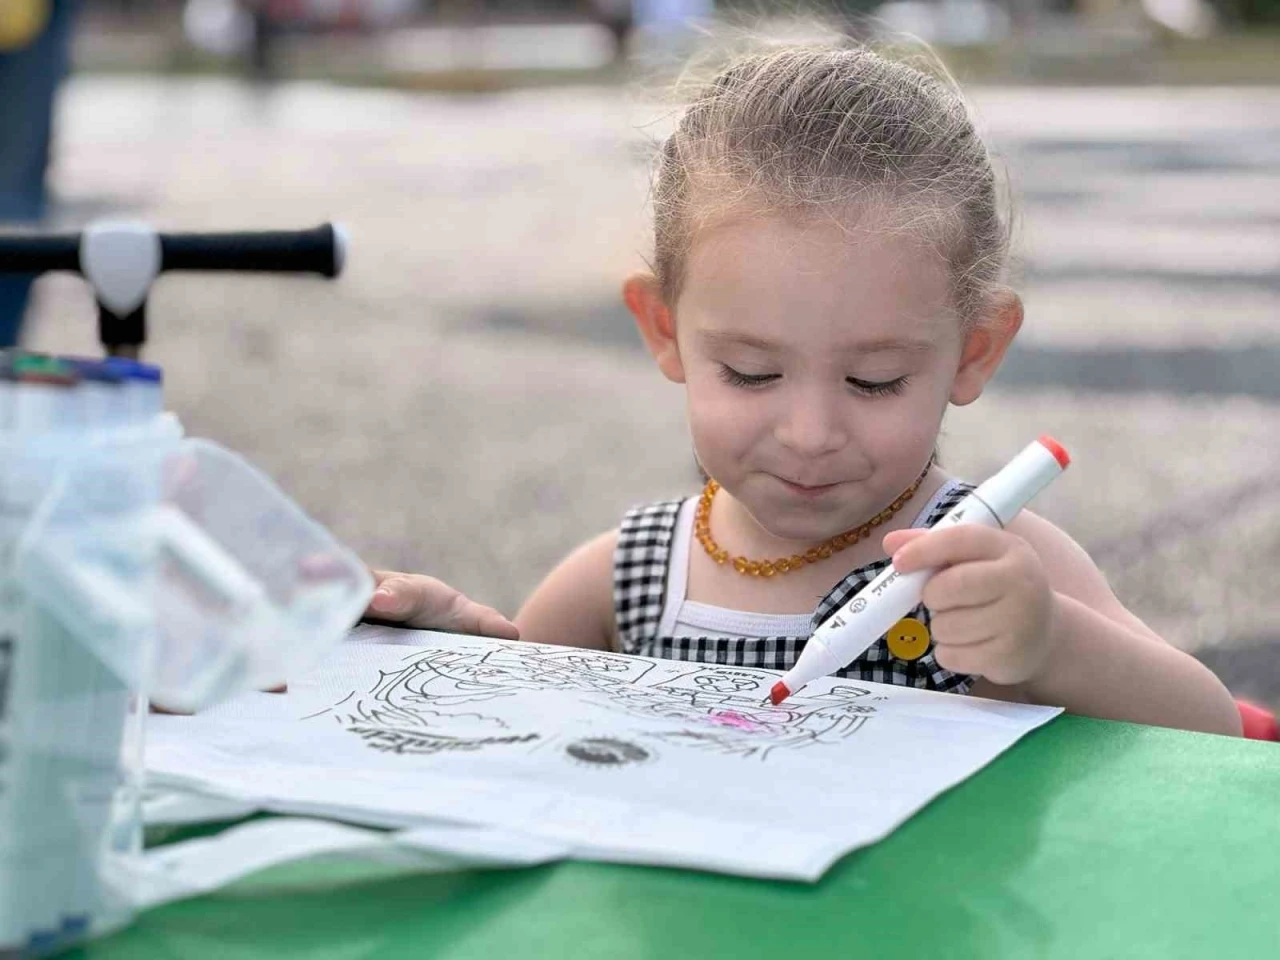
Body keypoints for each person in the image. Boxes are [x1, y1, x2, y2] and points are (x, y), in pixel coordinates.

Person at [368, 44, 1241, 736]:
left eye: (873, 380)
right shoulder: (629, 578)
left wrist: (1051, 642)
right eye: (751, 372)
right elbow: (503, 730)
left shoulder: (993, 559)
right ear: (665, 329)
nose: (811, 431)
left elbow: (1213, 734)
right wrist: (444, 646)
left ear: (974, 351)